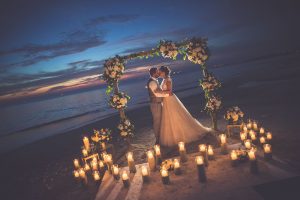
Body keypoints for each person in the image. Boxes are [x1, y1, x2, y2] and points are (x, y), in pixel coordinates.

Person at [158, 66, 211, 146]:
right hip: (166, 99)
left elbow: (169, 91)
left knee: (176, 115)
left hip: (170, 99)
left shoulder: (168, 80)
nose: (159, 74)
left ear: (164, 72)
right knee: (169, 117)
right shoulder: (163, 80)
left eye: (160, 72)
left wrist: (159, 93)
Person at [147, 67, 170, 144]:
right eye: (157, 72)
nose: (159, 73)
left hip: (158, 104)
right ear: (154, 73)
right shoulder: (152, 82)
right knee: (157, 122)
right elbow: (157, 94)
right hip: (155, 105)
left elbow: (159, 92)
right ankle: (157, 139)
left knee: (160, 121)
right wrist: (168, 95)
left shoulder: (155, 81)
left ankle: (161, 138)